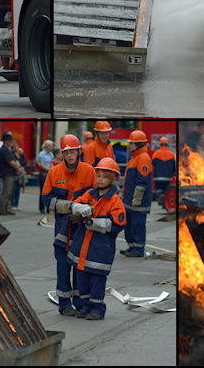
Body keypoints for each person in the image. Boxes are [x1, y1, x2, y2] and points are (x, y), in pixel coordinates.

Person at [41, 134, 95, 316]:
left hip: (81, 228)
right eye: (66, 152)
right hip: (63, 228)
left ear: (79, 151)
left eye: (73, 151)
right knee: (63, 266)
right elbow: (47, 200)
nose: (70, 155)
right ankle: (64, 304)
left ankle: (80, 303)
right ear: (62, 154)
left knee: (80, 266)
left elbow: (96, 198)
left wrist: (83, 212)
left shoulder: (89, 171)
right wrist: (70, 207)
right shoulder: (54, 173)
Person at [68, 158, 126, 320]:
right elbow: (76, 203)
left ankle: (98, 309)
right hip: (83, 247)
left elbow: (117, 224)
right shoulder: (90, 194)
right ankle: (86, 307)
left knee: (97, 280)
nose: (100, 179)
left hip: (100, 249)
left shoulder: (115, 201)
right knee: (82, 279)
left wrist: (94, 223)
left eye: (104, 176)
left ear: (112, 179)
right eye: (98, 175)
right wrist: (79, 207)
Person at [120, 131, 152, 257]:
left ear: (138, 144)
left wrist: (137, 200)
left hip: (138, 203)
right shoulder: (135, 156)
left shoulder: (143, 158)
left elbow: (142, 182)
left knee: (137, 225)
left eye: (131, 143)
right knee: (130, 226)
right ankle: (132, 247)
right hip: (130, 201)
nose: (129, 145)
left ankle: (138, 249)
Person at [150, 136, 175, 204]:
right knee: (166, 190)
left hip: (157, 177)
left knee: (158, 189)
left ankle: (160, 195)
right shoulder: (171, 154)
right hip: (168, 177)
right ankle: (164, 199)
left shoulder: (156, 153)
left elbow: (152, 163)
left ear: (160, 144)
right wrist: (172, 173)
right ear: (167, 144)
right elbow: (174, 166)